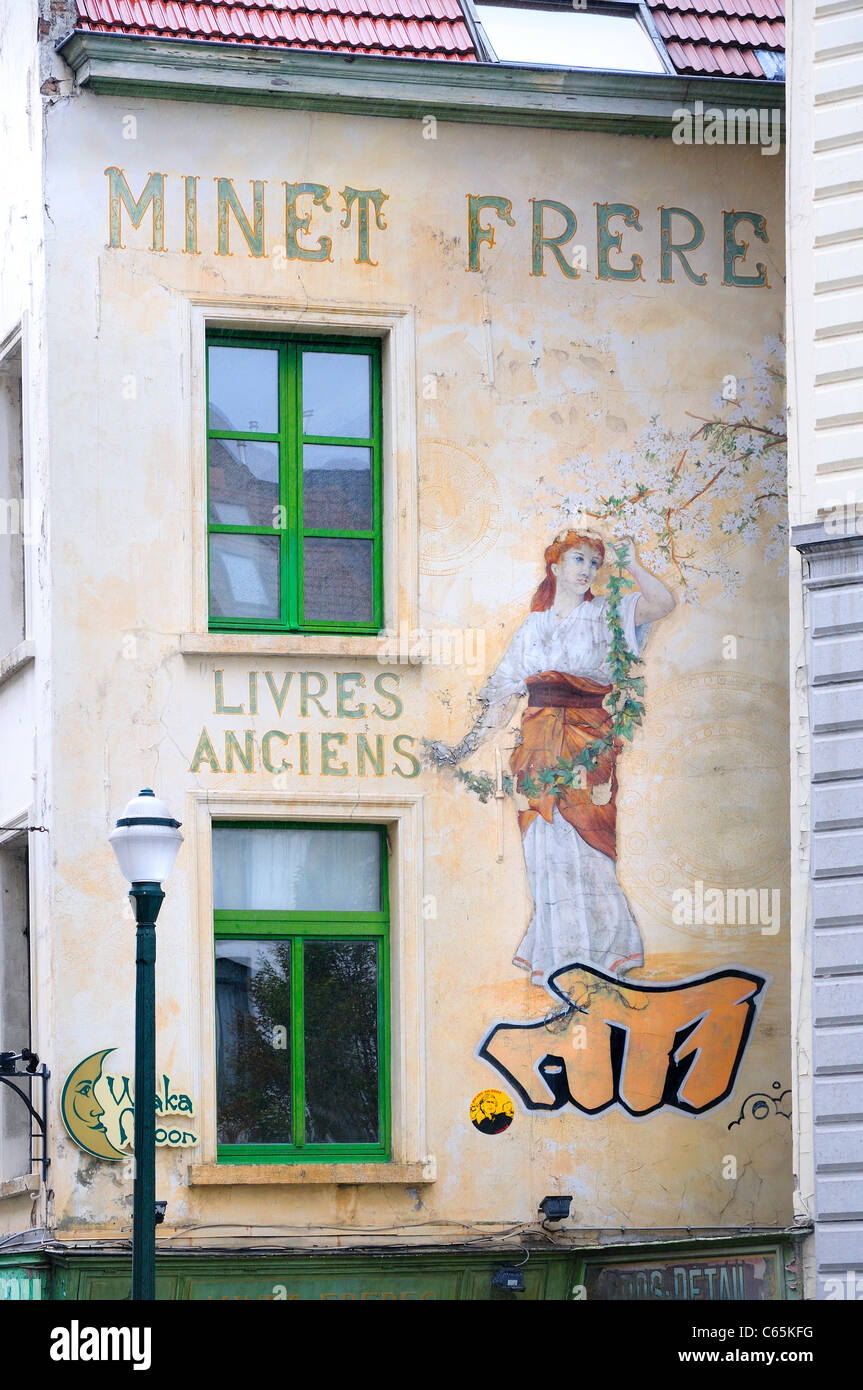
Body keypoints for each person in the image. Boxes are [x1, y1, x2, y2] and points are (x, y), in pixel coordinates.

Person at [431, 530, 675, 984]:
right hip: (538, 754)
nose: (586, 570)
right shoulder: (534, 628)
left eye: (593, 563)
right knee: (545, 852)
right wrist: (463, 748)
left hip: (586, 748)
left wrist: (632, 562)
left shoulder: (607, 614)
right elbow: (501, 695)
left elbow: (662, 604)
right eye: (578, 559)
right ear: (556, 567)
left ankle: (603, 956)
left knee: (587, 847)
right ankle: (559, 956)